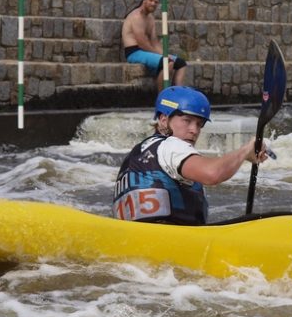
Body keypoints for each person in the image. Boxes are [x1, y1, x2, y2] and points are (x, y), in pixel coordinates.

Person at [112, 86, 269, 225]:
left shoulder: (137, 154)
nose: (194, 130)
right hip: (171, 244)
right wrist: (245, 151)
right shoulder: (172, 146)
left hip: (139, 243)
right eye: (187, 120)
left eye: (199, 124)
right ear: (163, 120)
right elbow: (212, 175)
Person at [121, 0, 187, 90]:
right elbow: (142, 43)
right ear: (144, 1)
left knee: (181, 63)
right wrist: (163, 57)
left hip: (145, 52)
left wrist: (164, 54)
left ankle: (177, 93)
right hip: (134, 52)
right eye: (151, 1)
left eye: (156, 2)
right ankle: (161, 97)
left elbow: (154, 42)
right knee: (168, 63)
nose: (153, 3)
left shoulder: (150, 18)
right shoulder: (136, 16)